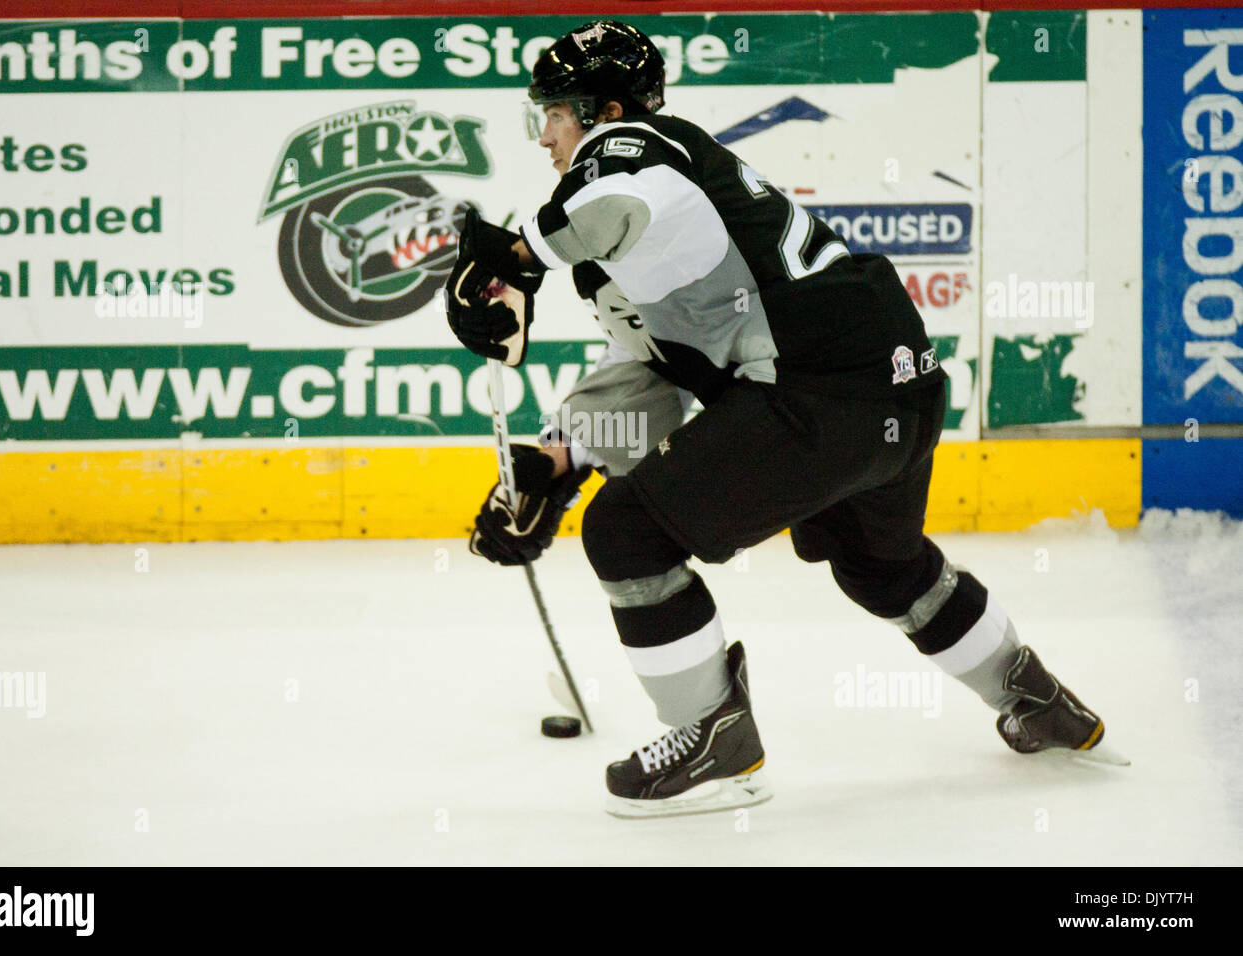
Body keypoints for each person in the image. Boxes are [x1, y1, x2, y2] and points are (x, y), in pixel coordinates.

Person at [445, 20, 1120, 818]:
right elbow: (660, 370)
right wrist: (556, 462)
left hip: (820, 392)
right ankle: (1033, 696)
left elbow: (616, 193)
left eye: (554, 113)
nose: (546, 137)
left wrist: (514, 255)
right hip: (896, 388)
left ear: (604, 108)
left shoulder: (631, 151)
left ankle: (714, 742)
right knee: (883, 567)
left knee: (627, 532)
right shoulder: (662, 223)